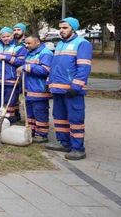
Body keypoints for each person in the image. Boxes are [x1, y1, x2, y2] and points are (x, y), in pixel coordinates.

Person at [46, 17, 92, 160]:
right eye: (60, 28)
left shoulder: (82, 44)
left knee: (75, 119)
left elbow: (84, 67)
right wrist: (49, 82)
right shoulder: (59, 44)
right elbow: (55, 66)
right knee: (59, 118)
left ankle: (78, 149)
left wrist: (76, 86)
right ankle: (64, 143)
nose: (61, 30)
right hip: (58, 89)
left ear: (73, 28)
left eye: (65, 28)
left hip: (72, 90)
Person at [0, 27, 26, 121]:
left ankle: (7, 122)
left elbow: (22, 62)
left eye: (8, 36)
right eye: (3, 37)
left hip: (11, 80)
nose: (5, 38)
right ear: (0, 37)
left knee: (9, 104)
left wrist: (7, 58)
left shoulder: (19, 47)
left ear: (12, 35)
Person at [20, 34, 53, 143]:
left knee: (40, 112)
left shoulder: (45, 54)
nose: (26, 45)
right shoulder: (29, 53)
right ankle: (32, 131)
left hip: (40, 89)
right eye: (26, 43)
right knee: (30, 113)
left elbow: (45, 70)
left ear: (37, 42)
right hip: (29, 88)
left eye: (29, 43)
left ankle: (42, 134)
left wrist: (27, 67)